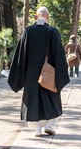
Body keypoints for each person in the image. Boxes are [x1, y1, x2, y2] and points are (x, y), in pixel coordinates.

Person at [8, 7, 70, 137]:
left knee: (33, 99)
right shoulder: (52, 31)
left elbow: (21, 54)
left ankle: (37, 129)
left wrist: (20, 73)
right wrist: (60, 73)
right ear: (47, 16)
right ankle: (49, 125)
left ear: (36, 17)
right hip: (48, 72)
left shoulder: (28, 31)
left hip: (31, 72)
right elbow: (59, 54)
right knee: (50, 98)